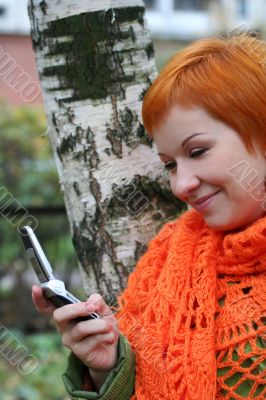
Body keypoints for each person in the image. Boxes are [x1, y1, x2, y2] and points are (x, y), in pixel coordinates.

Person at [32, 32, 266, 400]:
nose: (182, 185)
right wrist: (107, 367)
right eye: (170, 165)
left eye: (199, 150)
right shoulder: (169, 257)